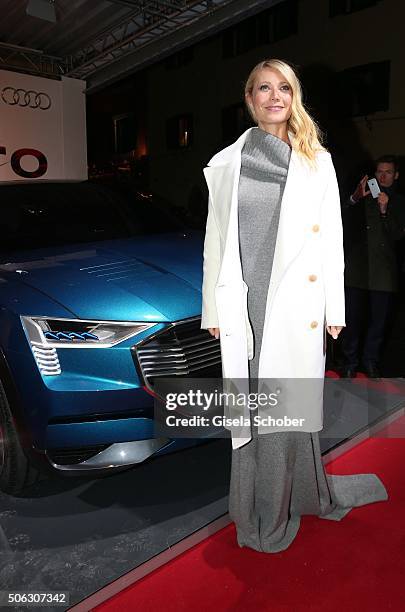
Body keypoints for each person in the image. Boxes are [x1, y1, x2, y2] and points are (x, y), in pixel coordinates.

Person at [200, 58, 387, 553]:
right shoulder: (226, 164)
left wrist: (334, 308)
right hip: (246, 306)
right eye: (264, 88)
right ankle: (258, 507)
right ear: (250, 98)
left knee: (283, 414)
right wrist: (213, 312)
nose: (274, 96)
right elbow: (215, 240)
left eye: (284, 87)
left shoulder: (315, 159)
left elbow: (333, 243)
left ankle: (275, 512)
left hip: (296, 304)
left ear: (294, 97)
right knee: (252, 416)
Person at [340, 156, 405, 378]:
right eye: (379, 172)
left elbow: (398, 234)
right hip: (357, 268)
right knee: (352, 318)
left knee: (379, 321)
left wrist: (385, 210)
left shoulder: (399, 201)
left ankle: (370, 362)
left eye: (388, 172)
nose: (383, 176)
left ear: (396, 175)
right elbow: (338, 217)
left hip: (383, 271)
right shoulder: (363, 196)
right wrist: (354, 198)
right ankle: (349, 362)